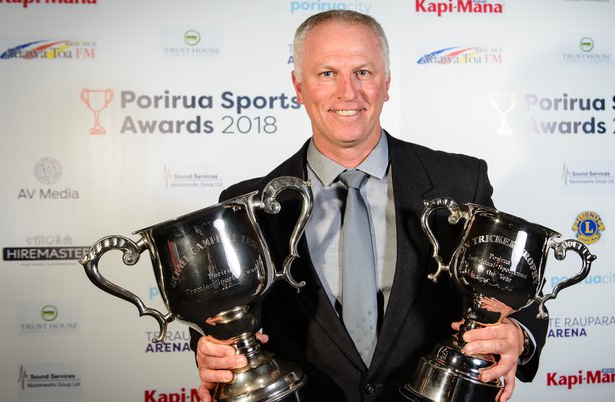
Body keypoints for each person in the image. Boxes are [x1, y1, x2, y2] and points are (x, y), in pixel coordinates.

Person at [191, 10, 548, 402]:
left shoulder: (461, 182)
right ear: (298, 85)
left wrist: (517, 334)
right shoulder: (248, 206)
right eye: (327, 73)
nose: (348, 92)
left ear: (387, 82)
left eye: (364, 72)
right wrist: (212, 351)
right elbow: (219, 318)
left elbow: (516, 289)